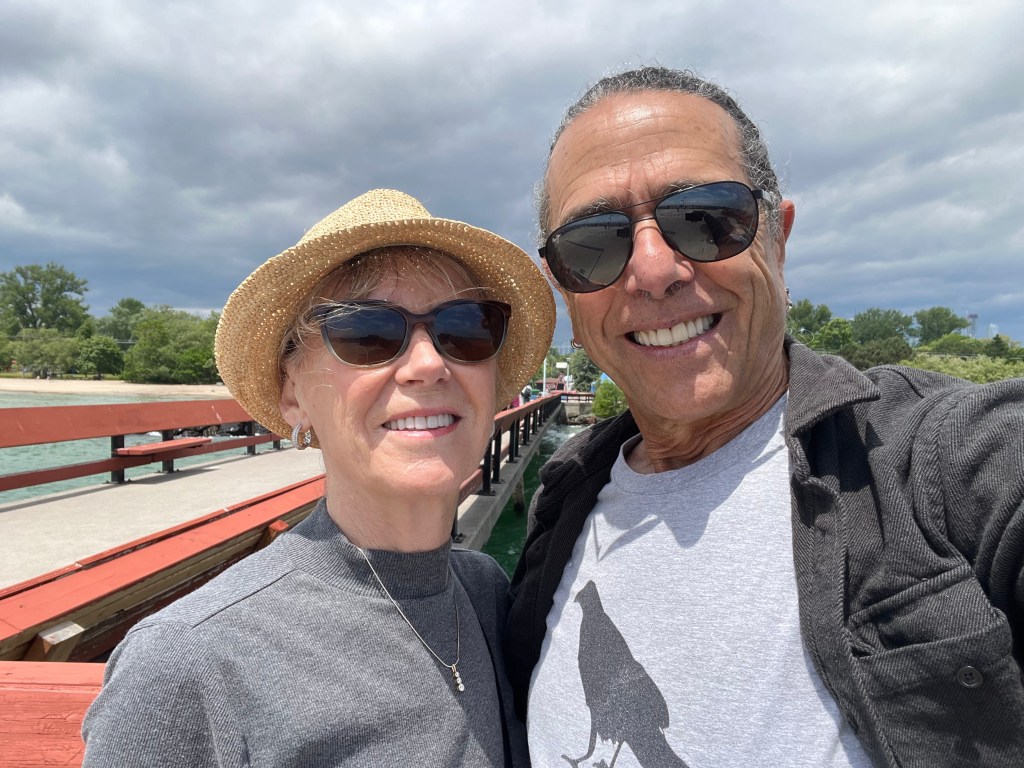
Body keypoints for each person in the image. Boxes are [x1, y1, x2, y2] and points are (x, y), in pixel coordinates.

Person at [506, 66, 1024, 767]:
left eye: (705, 218)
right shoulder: (564, 498)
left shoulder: (933, 460)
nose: (653, 270)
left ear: (777, 239)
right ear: (566, 291)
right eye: (593, 245)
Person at [82, 188, 555, 767]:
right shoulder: (190, 666)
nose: (430, 364)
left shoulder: (485, 593)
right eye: (368, 334)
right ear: (293, 395)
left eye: (466, 328)